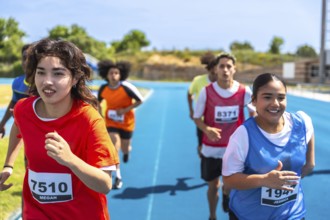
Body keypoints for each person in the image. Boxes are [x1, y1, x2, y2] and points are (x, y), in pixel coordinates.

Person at [0, 38, 119, 220]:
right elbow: (18, 126)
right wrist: (8, 165)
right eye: (41, 73)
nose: (47, 81)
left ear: (75, 78)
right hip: (36, 213)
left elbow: (104, 184)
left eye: (58, 74)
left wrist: (70, 159)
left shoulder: (89, 119)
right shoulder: (23, 109)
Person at [222, 73, 315, 220]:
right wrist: (264, 180)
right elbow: (228, 179)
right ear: (254, 101)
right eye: (267, 97)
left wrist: (309, 164)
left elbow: (309, 163)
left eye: (281, 97)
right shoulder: (242, 135)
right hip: (249, 215)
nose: (275, 103)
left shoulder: (302, 122)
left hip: (293, 214)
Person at [193, 53, 256, 220]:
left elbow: (254, 115)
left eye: (229, 66)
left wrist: (250, 133)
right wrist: (207, 129)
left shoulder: (244, 91)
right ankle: (212, 215)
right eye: (221, 66)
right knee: (213, 185)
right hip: (211, 149)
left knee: (230, 184)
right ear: (215, 69)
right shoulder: (206, 92)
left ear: (234, 69)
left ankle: (227, 196)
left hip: (235, 149)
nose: (225, 70)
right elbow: (197, 118)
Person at [97, 60, 143, 189]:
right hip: (111, 122)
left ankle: (127, 152)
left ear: (121, 75)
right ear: (106, 75)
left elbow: (140, 100)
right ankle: (118, 176)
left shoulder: (126, 87)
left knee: (125, 148)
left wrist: (124, 110)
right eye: (111, 73)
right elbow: (98, 102)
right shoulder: (103, 88)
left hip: (126, 123)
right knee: (114, 147)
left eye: (116, 73)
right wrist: (100, 115)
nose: (113, 75)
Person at [187, 52, 217, 157]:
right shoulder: (198, 80)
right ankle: (203, 162)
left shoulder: (222, 82)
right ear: (209, 68)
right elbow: (189, 93)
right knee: (202, 146)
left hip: (218, 120)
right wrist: (191, 110)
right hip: (203, 121)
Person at [0, 44, 31, 139]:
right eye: (24, 57)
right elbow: (13, 102)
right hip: (23, 130)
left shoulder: (46, 86)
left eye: (31, 58)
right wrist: (2, 124)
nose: (27, 62)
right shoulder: (17, 82)